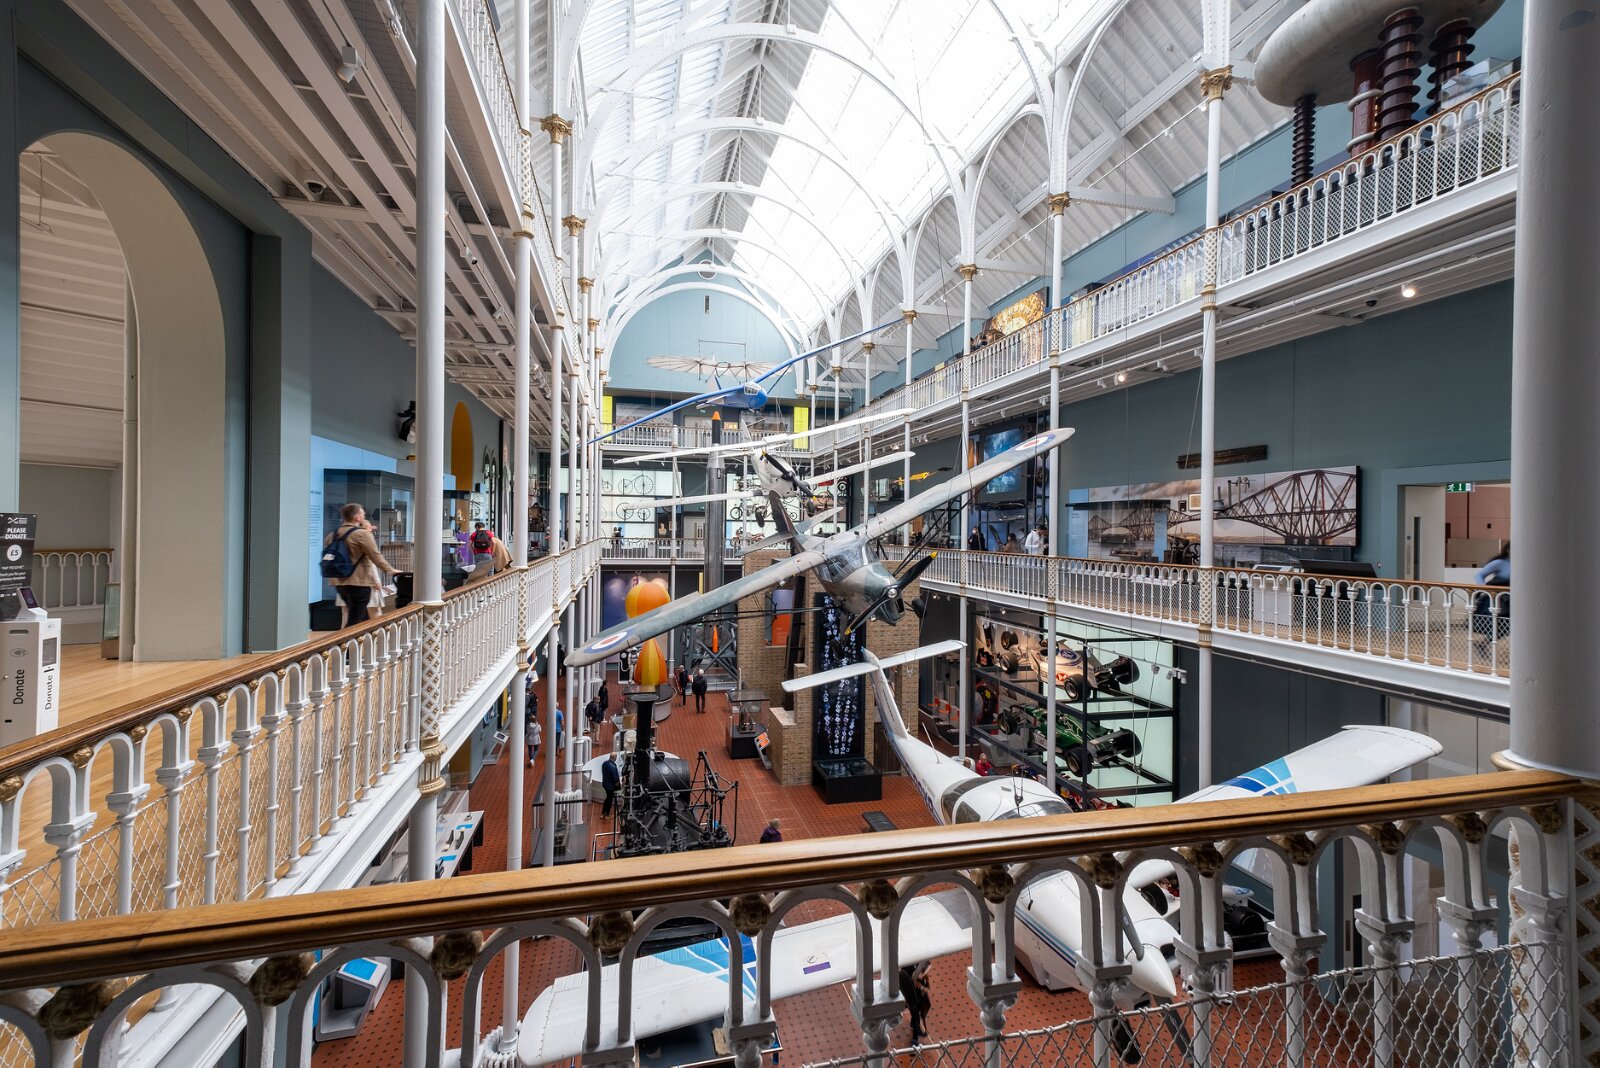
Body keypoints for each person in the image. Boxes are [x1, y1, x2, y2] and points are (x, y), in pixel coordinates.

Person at [325, 503, 399, 629]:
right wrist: (390, 570)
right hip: (359, 582)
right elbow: (375, 555)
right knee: (354, 619)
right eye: (363, 515)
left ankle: (347, 640)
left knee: (352, 616)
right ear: (357, 517)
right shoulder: (361, 534)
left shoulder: (332, 535)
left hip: (339, 583)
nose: (364, 517)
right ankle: (347, 641)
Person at [1473, 544, 1511, 646]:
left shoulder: (1520, 563)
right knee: (1498, 622)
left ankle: (1483, 644)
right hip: (1497, 597)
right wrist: (1486, 589)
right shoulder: (1500, 563)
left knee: (1509, 623)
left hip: (1510, 597)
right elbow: (1479, 575)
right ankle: (1483, 644)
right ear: (1508, 550)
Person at [899, 960, 931, 1044]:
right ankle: (915, 1039)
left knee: (924, 1008)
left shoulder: (919, 959)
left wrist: (922, 975)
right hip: (911, 994)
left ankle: (914, 1024)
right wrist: (922, 987)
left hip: (920, 993)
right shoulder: (906, 966)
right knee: (915, 1014)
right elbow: (911, 982)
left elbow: (929, 965)